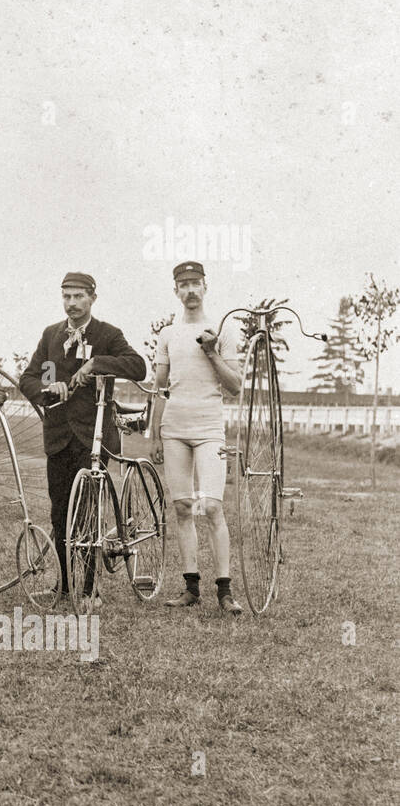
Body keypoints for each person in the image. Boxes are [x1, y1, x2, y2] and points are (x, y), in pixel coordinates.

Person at [19, 271, 147, 603]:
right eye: (66, 297)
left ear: (92, 297)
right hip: (58, 436)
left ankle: (89, 588)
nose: (72, 303)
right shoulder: (51, 336)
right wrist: (49, 388)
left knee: (88, 512)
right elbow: (32, 377)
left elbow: (137, 366)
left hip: (94, 437)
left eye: (78, 296)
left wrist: (95, 364)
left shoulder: (107, 334)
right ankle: (63, 586)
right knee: (59, 513)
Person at [149, 261, 244, 615]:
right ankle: (191, 588)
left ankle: (225, 591)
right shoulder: (168, 334)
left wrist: (212, 351)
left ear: (206, 287)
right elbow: (160, 389)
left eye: (195, 283)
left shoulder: (224, 329)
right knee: (182, 507)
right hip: (174, 428)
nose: (190, 290)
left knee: (213, 506)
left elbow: (235, 386)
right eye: (183, 284)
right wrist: (155, 433)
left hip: (208, 429)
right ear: (176, 290)